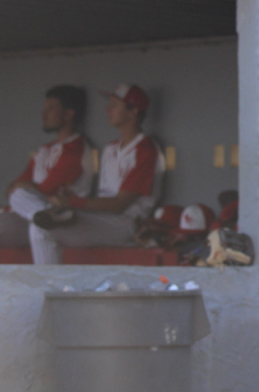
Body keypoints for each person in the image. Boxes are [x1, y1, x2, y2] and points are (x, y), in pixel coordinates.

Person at [0, 85, 94, 264]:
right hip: (25, 215)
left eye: (51, 108)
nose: (44, 114)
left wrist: (25, 188)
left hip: (59, 222)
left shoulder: (76, 148)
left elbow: (46, 190)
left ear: (69, 114)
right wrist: (23, 189)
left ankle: (46, 215)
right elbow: (12, 188)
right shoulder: (44, 151)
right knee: (15, 198)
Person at [29, 83, 165, 264]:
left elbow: (119, 204)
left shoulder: (146, 149)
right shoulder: (110, 148)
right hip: (103, 218)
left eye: (115, 105)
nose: (108, 109)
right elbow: (104, 197)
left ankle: (49, 289)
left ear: (133, 111)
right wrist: (71, 198)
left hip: (127, 223)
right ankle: (51, 288)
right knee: (41, 225)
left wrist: (72, 202)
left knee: (42, 230)